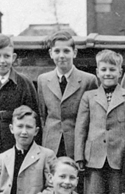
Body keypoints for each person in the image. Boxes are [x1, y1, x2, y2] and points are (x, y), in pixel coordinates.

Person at [74, 49, 125, 194]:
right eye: (103, 69)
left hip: (119, 158)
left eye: (112, 70)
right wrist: (79, 156)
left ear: (120, 72)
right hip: (94, 158)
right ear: (97, 72)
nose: (108, 73)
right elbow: (81, 129)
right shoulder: (89, 96)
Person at [0, 34, 38, 162]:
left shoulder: (24, 83)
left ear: (13, 57)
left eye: (7, 56)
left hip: (19, 141)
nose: (2, 60)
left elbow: (35, 117)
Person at [37, 30, 99, 159]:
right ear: (51, 53)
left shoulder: (88, 80)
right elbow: (42, 115)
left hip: (76, 144)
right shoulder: (43, 80)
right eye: (57, 51)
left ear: (74, 53)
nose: (61, 56)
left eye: (66, 51)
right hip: (51, 144)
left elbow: (93, 117)